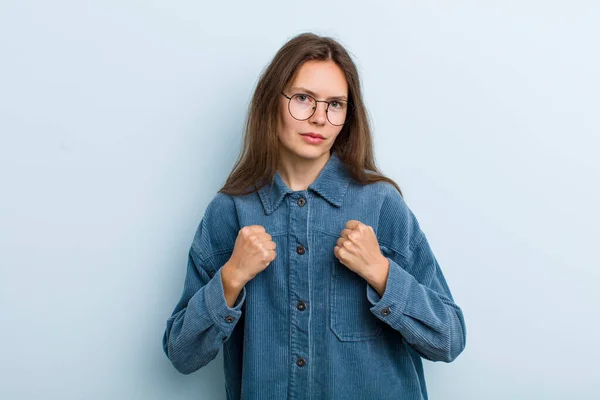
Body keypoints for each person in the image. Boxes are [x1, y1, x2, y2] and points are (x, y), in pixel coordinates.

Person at [162, 32, 467, 400]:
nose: (319, 118)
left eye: (335, 104)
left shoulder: (381, 205)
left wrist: (382, 274)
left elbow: (449, 338)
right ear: (271, 102)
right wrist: (231, 279)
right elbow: (182, 353)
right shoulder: (230, 211)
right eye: (304, 99)